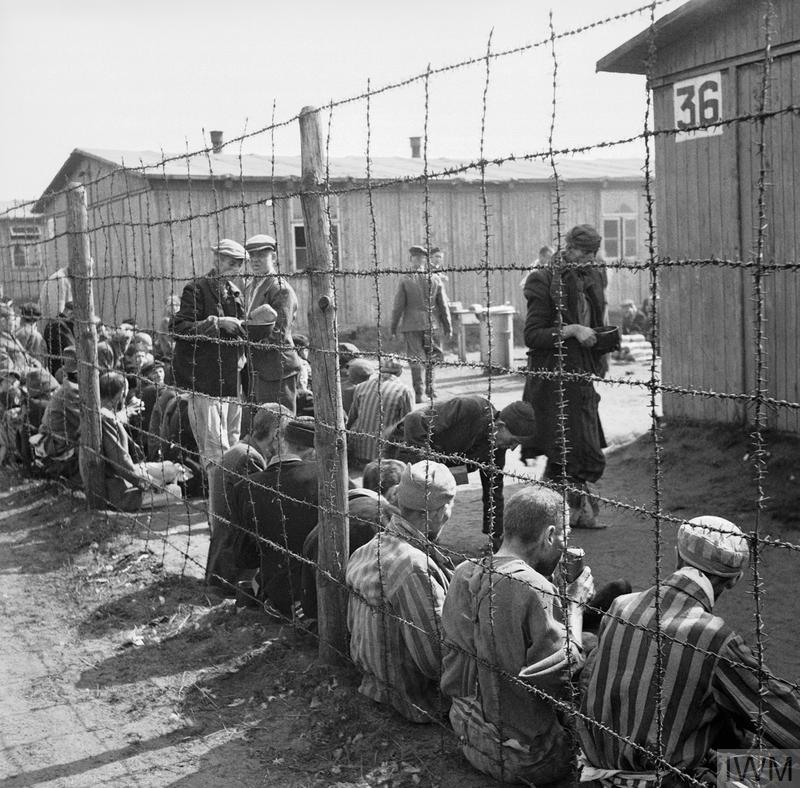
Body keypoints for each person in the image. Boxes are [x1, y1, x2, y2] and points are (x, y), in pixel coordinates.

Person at [579, 516, 800, 785]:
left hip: (594, 776)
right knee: (788, 772)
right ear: (734, 580)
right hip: (666, 781)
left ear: (676, 555)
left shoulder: (621, 606)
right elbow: (790, 724)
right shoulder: (716, 640)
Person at [441, 486, 596, 786]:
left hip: (465, 729)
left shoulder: (463, 571)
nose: (565, 546)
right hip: (527, 759)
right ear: (550, 535)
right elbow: (566, 673)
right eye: (565, 536)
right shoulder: (534, 589)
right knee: (594, 652)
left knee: (585, 641)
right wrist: (574, 606)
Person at [347, 460, 456, 723]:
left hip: (375, 684)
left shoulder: (369, 548)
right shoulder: (414, 566)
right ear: (441, 511)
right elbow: (436, 661)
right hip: (414, 700)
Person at [523, 224, 609, 529]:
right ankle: (558, 514)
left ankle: (565, 512)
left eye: (594, 254)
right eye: (584, 253)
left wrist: (602, 345)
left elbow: (596, 318)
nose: (589, 259)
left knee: (578, 447)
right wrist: (572, 330)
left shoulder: (592, 278)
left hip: (581, 374)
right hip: (552, 378)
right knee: (566, 448)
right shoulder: (543, 280)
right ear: (568, 247)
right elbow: (532, 335)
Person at [387, 396, 537, 545]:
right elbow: (414, 420)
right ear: (500, 426)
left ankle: (423, 542)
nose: (512, 448)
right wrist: (429, 468)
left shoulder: (496, 449)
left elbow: (493, 492)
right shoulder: (472, 408)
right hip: (408, 442)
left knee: (436, 503)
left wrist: (496, 536)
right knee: (400, 503)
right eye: (513, 441)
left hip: (436, 462)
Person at [171, 239, 247, 475]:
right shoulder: (197, 289)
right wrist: (217, 323)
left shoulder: (235, 292)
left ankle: (231, 497)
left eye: (238, 265)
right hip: (206, 380)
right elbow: (179, 328)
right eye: (230, 263)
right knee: (215, 446)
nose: (234, 270)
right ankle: (219, 500)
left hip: (232, 378)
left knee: (233, 442)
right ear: (216, 260)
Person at [230, 416, 319, 615]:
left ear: (283, 441)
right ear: (313, 449)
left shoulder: (245, 487)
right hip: (321, 596)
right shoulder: (328, 479)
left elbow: (244, 558)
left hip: (277, 594)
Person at [301, 458, 406, 620]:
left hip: (315, 609)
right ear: (394, 492)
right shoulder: (381, 518)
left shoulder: (344, 507)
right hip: (346, 619)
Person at [205, 403, 289, 593]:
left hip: (224, 554)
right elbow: (262, 512)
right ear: (276, 435)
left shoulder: (241, 450)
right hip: (235, 566)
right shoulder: (249, 458)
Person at [98, 371, 187, 511]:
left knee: (171, 468)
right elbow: (121, 464)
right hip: (120, 491)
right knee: (176, 491)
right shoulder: (107, 419)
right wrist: (151, 484)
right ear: (120, 394)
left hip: (125, 474)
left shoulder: (103, 412)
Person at [242, 234, 302, 414]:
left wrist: (246, 345)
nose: (255, 260)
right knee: (260, 424)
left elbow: (278, 334)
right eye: (252, 256)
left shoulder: (279, 288)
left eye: (261, 255)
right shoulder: (251, 285)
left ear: (273, 257)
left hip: (277, 369)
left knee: (279, 423)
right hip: (256, 368)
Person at [390, 245, 453, 403]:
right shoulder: (435, 278)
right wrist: (448, 326)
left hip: (411, 325)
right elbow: (443, 305)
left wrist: (393, 327)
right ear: (425, 260)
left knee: (415, 358)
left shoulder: (405, 279)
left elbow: (398, 306)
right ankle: (432, 390)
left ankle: (418, 393)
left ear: (411, 259)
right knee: (431, 356)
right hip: (431, 324)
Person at [347, 356, 413, 465]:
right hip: (384, 457)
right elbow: (408, 424)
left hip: (358, 452)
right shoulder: (404, 390)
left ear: (380, 369)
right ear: (400, 371)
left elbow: (351, 419)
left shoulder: (361, 386)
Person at [33, 346, 81, 479]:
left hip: (55, 439)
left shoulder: (68, 386)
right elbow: (89, 423)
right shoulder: (71, 391)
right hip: (59, 446)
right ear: (79, 373)